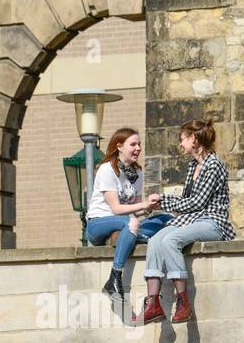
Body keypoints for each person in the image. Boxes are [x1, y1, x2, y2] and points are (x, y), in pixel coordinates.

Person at [135, 118, 236, 325]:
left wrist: (164, 201)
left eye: (183, 139)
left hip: (212, 221)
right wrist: (161, 200)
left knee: (171, 240)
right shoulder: (193, 166)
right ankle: (153, 304)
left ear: (194, 139)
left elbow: (197, 203)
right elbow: (186, 201)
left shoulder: (213, 166)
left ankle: (183, 303)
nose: (180, 144)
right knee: (155, 240)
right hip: (193, 219)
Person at [84, 128, 171, 300]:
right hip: (98, 223)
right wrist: (143, 205)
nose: (138, 148)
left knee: (167, 219)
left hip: (126, 222)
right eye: (133, 144)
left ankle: (132, 237)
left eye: (139, 144)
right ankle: (114, 278)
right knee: (131, 223)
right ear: (119, 146)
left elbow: (136, 209)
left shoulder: (136, 173)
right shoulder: (107, 169)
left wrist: (149, 207)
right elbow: (116, 209)